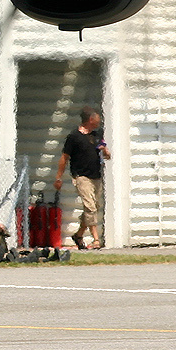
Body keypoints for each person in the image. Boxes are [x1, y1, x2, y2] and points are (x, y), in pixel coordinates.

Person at [55, 106, 111, 249]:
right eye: (97, 119)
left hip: (96, 177)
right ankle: (96, 239)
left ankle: (78, 235)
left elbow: (108, 156)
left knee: (94, 208)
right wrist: (58, 177)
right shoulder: (74, 137)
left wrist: (105, 151)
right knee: (90, 207)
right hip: (81, 177)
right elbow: (64, 157)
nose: (99, 122)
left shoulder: (97, 135)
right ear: (90, 119)